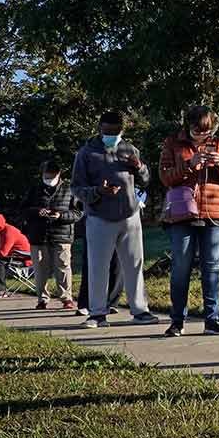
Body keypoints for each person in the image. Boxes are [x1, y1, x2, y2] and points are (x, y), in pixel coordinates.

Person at [71, 111, 161, 328]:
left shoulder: (130, 149)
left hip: (130, 215)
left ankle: (140, 311)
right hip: (99, 217)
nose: (112, 135)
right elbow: (77, 188)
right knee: (97, 267)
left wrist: (139, 167)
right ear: (100, 127)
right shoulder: (85, 153)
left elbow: (147, 180)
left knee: (135, 265)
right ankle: (97, 314)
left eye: (117, 131)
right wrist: (98, 192)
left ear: (123, 129)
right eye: (109, 131)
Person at [158, 105, 219, 337]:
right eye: (197, 131)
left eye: (207, 131)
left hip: (214, 212)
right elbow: (165, 177)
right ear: (187, 126)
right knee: (181, 267)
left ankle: (212, 320)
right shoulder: (173, 143)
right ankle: (177, 321)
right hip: (182, 214)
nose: (202, 135)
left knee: (211, 268)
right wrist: (190, 165)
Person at [22, 160, 80, 310]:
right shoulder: (34, 189)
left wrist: (60, 216)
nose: (48, 178)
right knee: (40, 269)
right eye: (45, 175)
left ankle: (66, 298)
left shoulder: (70, 189)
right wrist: (36, 212)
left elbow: (78, 212)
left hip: (62, 235)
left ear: (58, 174)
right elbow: (23, 210)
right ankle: (42, 299)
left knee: (63, 267)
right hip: (38, 235)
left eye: (50, 176)